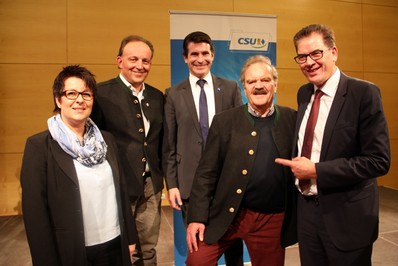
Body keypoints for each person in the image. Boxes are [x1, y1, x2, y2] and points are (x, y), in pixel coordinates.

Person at [275, 24, 391, 266]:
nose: (309, 62)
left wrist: (316, 170)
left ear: (334, 52)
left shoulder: (364, 93)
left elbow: (378, 161)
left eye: (316, 53)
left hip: (347, 216)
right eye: (302, 56)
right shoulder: (304, 93)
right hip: (307, 212)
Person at [185, 55, 298, 266]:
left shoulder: (292, 119)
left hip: (271, 219)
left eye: (264, 80)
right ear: (244, 88)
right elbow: (205, 174)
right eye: (251, 82)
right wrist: (196, 218)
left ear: (275, 84)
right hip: (228, 215)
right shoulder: (224, 121)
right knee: (196, 261)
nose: (258, 86)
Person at [20, 65, 137, 266]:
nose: (80, 100)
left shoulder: (106, 139)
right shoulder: (39, 146)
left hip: (114, 243)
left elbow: (121, 189)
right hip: (71, 249)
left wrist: (130, 237)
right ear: (58, 99)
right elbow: (35, 213)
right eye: (71, 93)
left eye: (86, 94)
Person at [162, 31, 244, 265]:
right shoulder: (173, 94)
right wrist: (173, 184)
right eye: (194, 54)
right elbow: (169, 144)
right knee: (200, 251)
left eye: (205, 53)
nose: (200, 59)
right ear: (185, 58)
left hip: (226, 183)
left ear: (213, 55)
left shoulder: (229, 89)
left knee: (233, 251)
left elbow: (239, 137)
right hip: (190, 185)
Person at [90, 35, 164, 266]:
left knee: (148, 249)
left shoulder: (157, 96)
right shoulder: (101, 94)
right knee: (120, 249)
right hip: (117, 186)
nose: (139, 66)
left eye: (145, 60)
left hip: (151, 186)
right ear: (119, 61)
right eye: (133, 59)